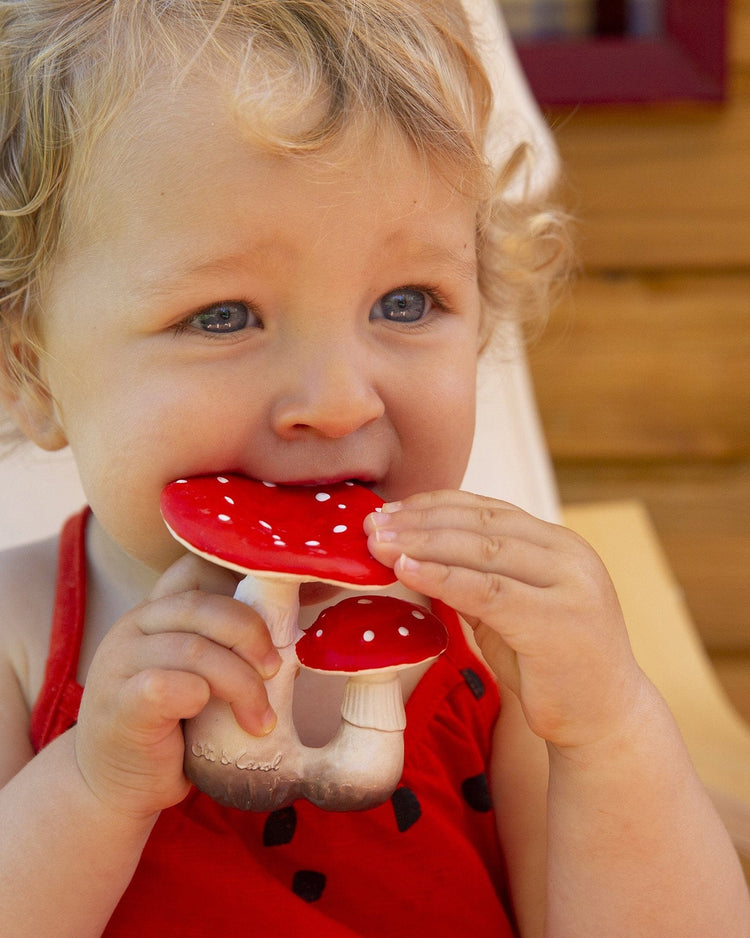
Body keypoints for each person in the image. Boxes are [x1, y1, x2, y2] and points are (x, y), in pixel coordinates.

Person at [0, 1, 747, 935]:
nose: (341, 399)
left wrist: (609, 732)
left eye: (406, 301)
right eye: (225, 315)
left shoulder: (497, 652)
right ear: (32, 375)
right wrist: (91, 782)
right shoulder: (21, 635)